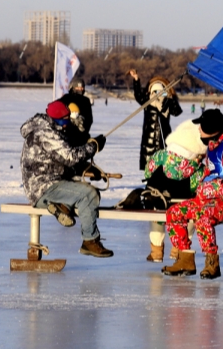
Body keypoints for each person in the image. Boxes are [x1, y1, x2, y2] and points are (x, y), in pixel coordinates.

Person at [163, 109, 223, 280]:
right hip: (205, 199)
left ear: (210, 130)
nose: (198, 131)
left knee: (202, 216)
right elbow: (209, 172)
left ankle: (212, 262)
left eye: (201, 127)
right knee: (173, 213)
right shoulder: (213, 146)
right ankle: (185, 258)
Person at [20, 100, 113, 258]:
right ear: (54, 119)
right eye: (64, 120)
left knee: (86, 193)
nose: (66, 124)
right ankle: (90, 241)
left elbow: (60, 163)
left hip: (43, 187)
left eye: (67, 119)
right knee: (89, 194)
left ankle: (61, 206)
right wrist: (93, 147)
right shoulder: (46, 133)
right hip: (43, 188)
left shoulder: (46, 128)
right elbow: (70, 157)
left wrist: (88, 170)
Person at [141, 110, 223, 263]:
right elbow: (199, 184)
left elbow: (149, 170)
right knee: (190, 217)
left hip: (161, 199)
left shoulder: (161, 156)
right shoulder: (197, 167)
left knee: (156, 218)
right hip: (183, 201)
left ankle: (156, 250)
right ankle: (178, 248)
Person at [129, 70, 183, 170]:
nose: (157, 95)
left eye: (160, 92)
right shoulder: (147, 101)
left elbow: (177, 112)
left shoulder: (167, 103)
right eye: (155, 92)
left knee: (164, 166)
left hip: (164, 139)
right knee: (149, 167)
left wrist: (171, 98)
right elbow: (138, 95)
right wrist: (136, 79)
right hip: (149, 139)